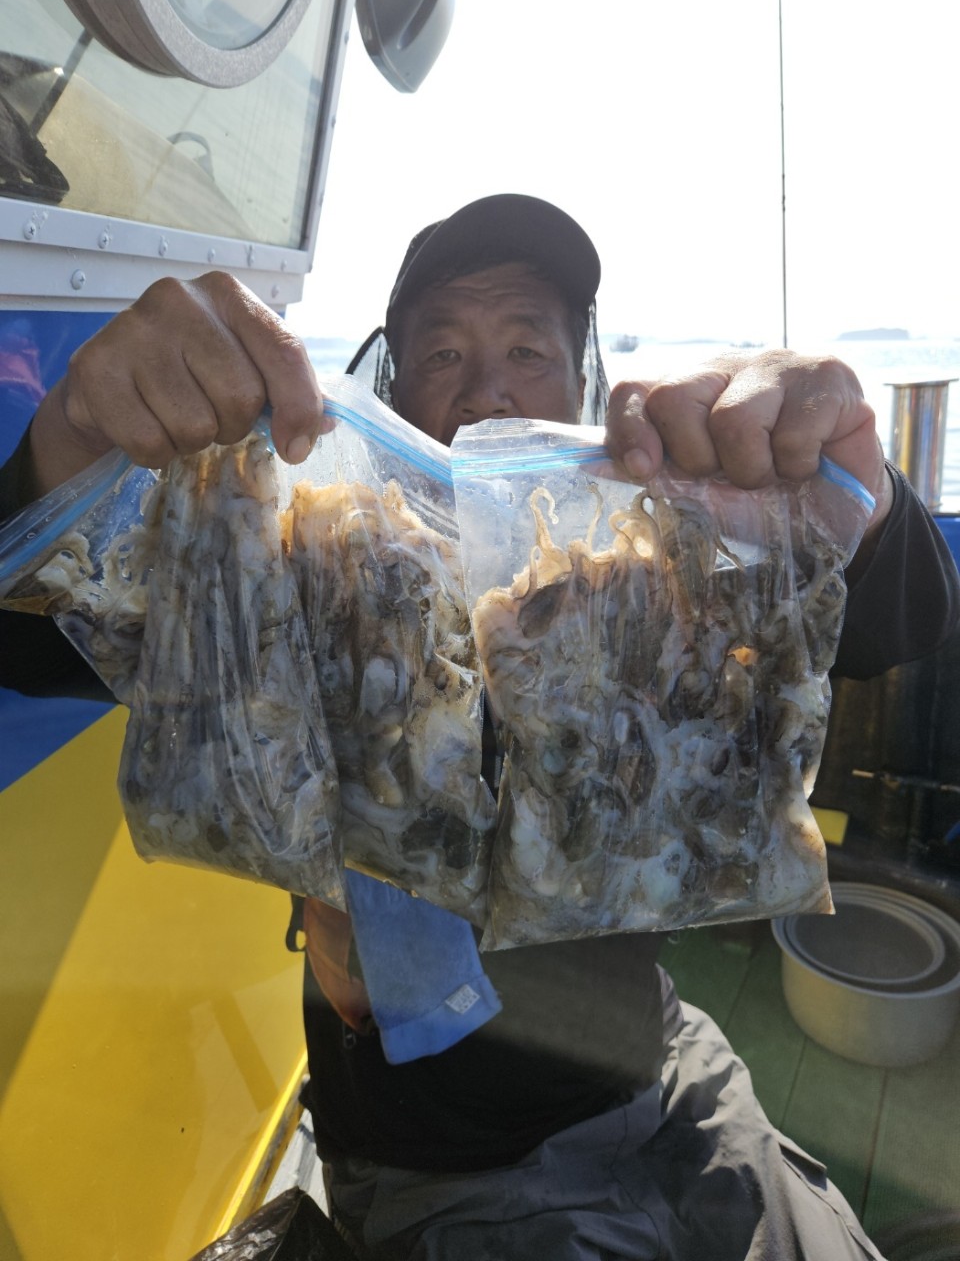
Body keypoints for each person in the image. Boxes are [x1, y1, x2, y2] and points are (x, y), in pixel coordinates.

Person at [1, 194, 958, 1261]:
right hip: (442, 1160)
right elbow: (29, 638)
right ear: (390, 380)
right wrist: (72, 435)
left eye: (527, 349)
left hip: (673, 1067)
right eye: (444, 351)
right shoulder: (299, 568)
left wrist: (855, 488)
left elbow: (900, 619)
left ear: (584, 380)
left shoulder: (634, 575)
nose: (487, 386)